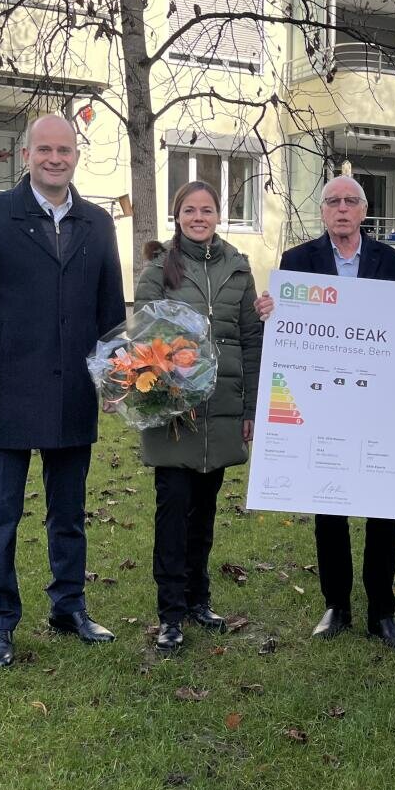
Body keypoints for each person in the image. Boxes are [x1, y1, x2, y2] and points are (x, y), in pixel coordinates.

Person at [0, 114, 127, 667]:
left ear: (77, 155)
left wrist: (117, 376)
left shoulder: (97, 224)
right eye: (45, 149)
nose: (55, 158)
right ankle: (0, 623)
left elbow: (110, 313)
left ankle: (67, 606)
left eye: (65, 150)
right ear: (26, 154)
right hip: (1, 393)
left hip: (72, 391)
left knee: (68, 514)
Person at [267, 175, 395, 651]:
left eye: (351, 201)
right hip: (322, 403)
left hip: (378, 403)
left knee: (382, 506)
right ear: (323, 211)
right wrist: (270, 310)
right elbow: (288, 327)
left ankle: (382, 612)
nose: (341, 209)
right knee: (328, 504)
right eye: (332, 201)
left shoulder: (394, 263)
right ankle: (336, 605)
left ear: (364, 210)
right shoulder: (297, 262)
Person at [135, 181, 263, 654]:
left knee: (204, 513)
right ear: (177, 216)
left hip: (223, 409)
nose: (199, 217)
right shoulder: (158, 268)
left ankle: (198, 599)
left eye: (207, 210)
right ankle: (170, 613)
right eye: (190, 210)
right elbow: (142, 340)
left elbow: (251, 341)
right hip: (174, 413)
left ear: (217, 216)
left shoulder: (238, 267)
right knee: (173, 513)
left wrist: (250, 408)